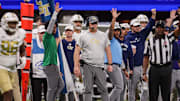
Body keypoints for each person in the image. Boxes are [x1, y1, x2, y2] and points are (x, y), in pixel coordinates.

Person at [143, 10, 180, 101]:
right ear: (155, 28)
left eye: (161, 28)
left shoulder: (169, 38)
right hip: (154, 68)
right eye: (158, 28)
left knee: (166, 93)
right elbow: (146, 57)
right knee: (153, 94)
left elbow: (178, 31)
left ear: (164, 29)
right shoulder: (150, 41)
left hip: (166, 68)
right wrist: (144, 72)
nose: (159, 29)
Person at [74, 16, 113, 101]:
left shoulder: (103, 35)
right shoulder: (83, 36)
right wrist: (76, 66)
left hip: (100, 66)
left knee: (103, 89)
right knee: (87, 89)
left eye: (95, 23)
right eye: (92, 23)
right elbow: (76, 51)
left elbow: (108, 50)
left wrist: (110, 64)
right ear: (88, 24)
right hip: (87, 65)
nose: (94, 25)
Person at [126, 9, 156, 101]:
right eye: (138, 25)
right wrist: (128, 68)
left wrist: (153, 16)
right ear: (131, 27)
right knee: (131, 89)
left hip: (143, 65)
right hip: (132, 66)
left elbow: (149, 26)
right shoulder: (127, 37)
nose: (140, 26)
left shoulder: (142, 35)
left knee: (146, 89)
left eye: (142, 24)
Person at [0, 12, 26, 101]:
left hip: (12, 66)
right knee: (8, 90)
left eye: (14, 23)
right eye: (11, 23)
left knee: (14, 89)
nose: (13, 26)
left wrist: (23, 58)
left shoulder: (19, 34)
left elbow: (22, 48)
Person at [42, 3, 64, 101]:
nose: (54, 29)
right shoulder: (47, 36)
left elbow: (54, 53)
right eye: (53, 28)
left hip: (54, 65)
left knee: (61, 85)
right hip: (50, 65)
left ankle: (53, 99)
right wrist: (55, 13)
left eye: (56, 28)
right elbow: (51, 25)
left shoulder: (52, 39)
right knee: (52, 88)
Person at [104, 8, 123, 101]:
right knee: (119, 87)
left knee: (117, 87)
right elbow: (110, 31)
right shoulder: (110, 38)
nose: (117, 32)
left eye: (118, 30)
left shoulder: (117, 41)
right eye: (116, 30)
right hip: (112, 65)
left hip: (116, 65)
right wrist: (114, 19)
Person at [31, 25, 47, 101]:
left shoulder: (50, 43)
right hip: (36, 75)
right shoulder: (33, 43)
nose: (43, 35)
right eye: (41, 33)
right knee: (36, 97)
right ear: (38, 34)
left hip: (48, 75)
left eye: (44, 33)